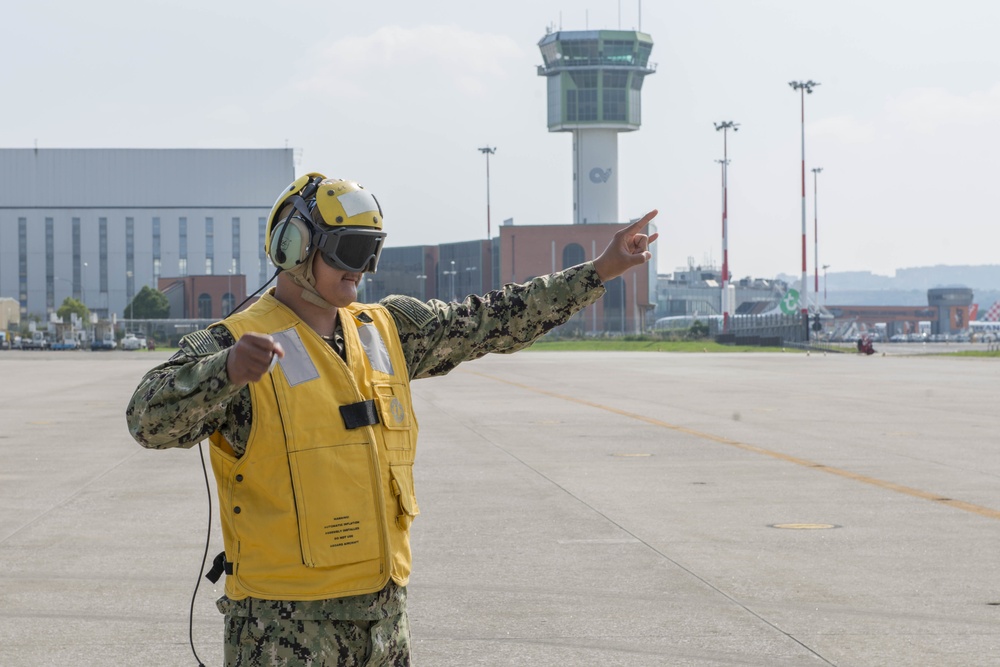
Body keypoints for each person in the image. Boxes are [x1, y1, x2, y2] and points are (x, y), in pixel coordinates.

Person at [126, 173, 658, 666]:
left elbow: (494, 319)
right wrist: (226, 372)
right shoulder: (234, 344)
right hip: (281, 631)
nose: (361, 268)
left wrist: (600, 271)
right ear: (294, 248)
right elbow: (146, 418)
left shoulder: (387, 331)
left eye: (371, 251)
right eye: (349, 250)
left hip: (382, 622)